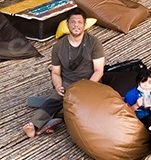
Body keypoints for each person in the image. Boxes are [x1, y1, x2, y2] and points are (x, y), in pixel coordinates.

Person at [23, 10, 105, 138]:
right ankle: (34, 126)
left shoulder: (94, 42)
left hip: (89, 83)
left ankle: (57, 115)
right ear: (67, 24)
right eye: (73, 22)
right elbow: (55, 72)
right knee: (53, 101)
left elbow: (99, 70)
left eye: (79, 22)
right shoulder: (58, 47)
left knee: (86, 108)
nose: (76, 25)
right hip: (67, 83)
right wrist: (58, 86)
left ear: (84, 25)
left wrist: (86, 87)